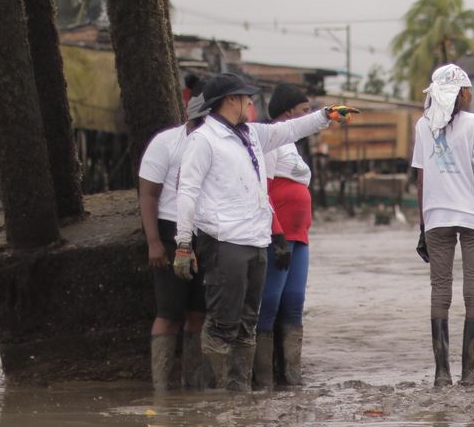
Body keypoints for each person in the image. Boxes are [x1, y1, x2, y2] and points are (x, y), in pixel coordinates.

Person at [173, 72, 358, 391]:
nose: (250, 103)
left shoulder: (253, 135)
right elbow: (187, 192)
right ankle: (214, 398)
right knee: (222, 323)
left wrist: (325, 115)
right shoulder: (203, 141)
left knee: (247, 323)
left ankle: (241, 396)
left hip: (256, 240)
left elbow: (291, 128)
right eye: (245, 98)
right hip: (223, 241)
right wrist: (182, 244)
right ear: (229, 101)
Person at [411, 64, 474, 387]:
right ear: (462, 93)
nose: (471, 95)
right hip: (473, 219)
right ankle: (470, 375)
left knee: (440, 292)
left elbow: (420, 181)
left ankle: (441, 373)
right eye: (469, 90)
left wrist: (422, 226)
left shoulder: (424, 126)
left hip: (435, 218)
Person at [138, 91, 210, 391]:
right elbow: (148, 194)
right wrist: (153, 242)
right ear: (187, 118)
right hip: (170, 233)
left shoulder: (218, 144)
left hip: (207, 233)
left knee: (199, 313)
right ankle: (162, 390)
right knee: (169, 313)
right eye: (195, 121)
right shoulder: (165, 143)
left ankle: (193, 385)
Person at [253, 83, 318, 390]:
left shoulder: (294, 145)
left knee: (294, 303)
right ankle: (263, 377)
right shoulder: (269, 141)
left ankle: (291, 376)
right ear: (289, 113)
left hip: (300, 235)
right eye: (304, 112)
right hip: (278, 235)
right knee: (270, 303)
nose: (308, 117)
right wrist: (276, 233)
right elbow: (262, 193)